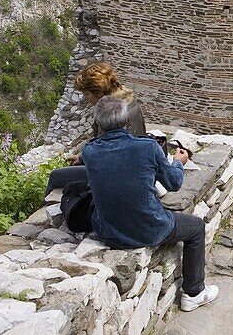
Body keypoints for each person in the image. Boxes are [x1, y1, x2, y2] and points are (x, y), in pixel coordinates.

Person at [83, 96, 218, 312]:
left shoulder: (89, 151)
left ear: (98, 124)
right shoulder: (147, 147)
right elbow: (174, 183)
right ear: (127, 121)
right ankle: (194, 292)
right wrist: (178, 162)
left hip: (107, 232)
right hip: (149, 229)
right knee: (196, 228)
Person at [46, 62, 146, 193]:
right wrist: (81, 158)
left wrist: (85, 158)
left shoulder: (109, 113)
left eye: (87, 94)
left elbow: (104, 153)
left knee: (55, 176)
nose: (86, 98)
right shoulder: (129, 103)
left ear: (98, 92)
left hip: (115, 173)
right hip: (134, 166)